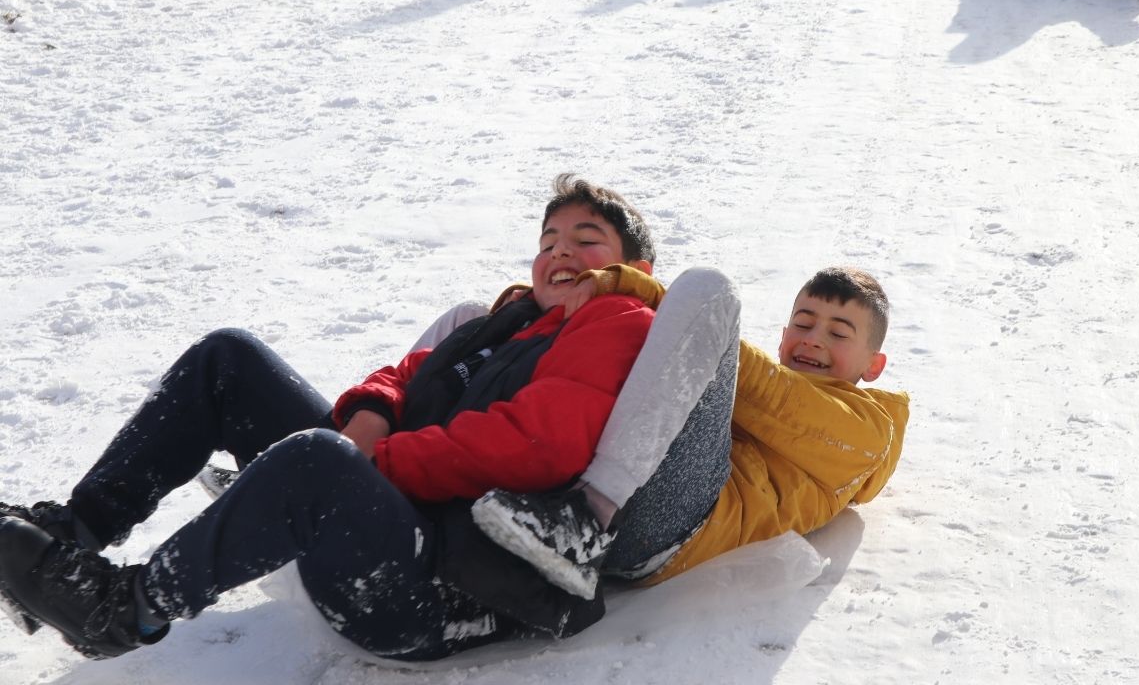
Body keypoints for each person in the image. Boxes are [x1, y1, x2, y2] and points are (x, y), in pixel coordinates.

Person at [0, 174, 668, 661]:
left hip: (434, 586)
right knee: (229, 361)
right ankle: (76, 535)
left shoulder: (619, 318)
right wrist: (372, 418)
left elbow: (537, 444)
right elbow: (405, 374)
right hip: (386, 517)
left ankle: (125, 609)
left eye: (587, 240)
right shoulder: (510, 321)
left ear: (632, 268)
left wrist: (369, 462)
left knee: (318, 460)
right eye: (549, 238)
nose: (560, 252)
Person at [471, 264, 910, 597]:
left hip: (676, 528)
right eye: (804, 323)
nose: (814, 339)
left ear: (874, 365)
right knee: (469, 317)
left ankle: (590, 515)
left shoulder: (867, 435)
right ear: (783, 336)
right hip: (643, 498)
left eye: (838, 333)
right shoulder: (759, 400)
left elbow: (771, 392)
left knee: (709, 291)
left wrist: (638, 287)